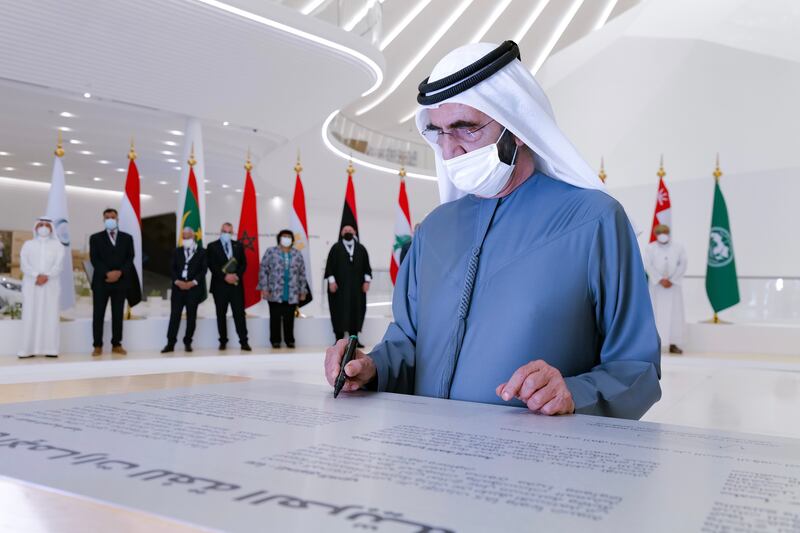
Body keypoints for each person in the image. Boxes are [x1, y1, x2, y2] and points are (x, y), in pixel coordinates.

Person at [324, 41, 661, 420]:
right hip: (425, 461)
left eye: (465, 129)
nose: (449, 150)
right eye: (438, 132)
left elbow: (637, 370)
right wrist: (371, 367)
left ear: (517, 127)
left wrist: (574, 392)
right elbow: (409, 343)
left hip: (536, 468)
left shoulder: (596, 221)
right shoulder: (433, 230)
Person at [89, 208, 134, 356]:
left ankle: (116, 344)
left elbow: (130, 258)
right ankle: (97, 345)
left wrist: (119, 272)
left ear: (117, 219)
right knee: (98, 315)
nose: (110, 219)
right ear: (103, 220)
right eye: (107, 217)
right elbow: (95, 259)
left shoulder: (127, 238)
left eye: (112, 217)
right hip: (102, 281)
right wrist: (107, 273)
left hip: (120, 282)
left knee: (117, 314)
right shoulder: (95, 238)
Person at [18, 217, 65, 358]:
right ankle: (27, 349)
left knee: (50, 316)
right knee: (30, 315)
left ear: (51, 228)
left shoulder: (58, 246)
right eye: (41, 224)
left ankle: (50, 349)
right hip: (32, 285)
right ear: (36, 227)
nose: (43, 227)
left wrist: (47, 276)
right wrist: (36, 275)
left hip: (51, 285)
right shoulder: (28, 244)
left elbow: (59, 265)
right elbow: (24, 264)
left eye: (46, 225)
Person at [258, 229, 308, 348]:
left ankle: (289, 340)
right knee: (275, 318)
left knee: (289, 318)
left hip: (292, 292)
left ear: (292, 239)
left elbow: (302, 273)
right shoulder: (271, 252)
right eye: (284, 236)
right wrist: (264, 288)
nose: (286, 239)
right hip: (274, 291)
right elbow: (263, 270)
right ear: (279, 238)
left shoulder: (297, 253)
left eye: (288, 237)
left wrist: (303, 290)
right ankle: (275, 341)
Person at [324, 225, 372, 347]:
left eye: (350, 230)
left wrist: (367, 281)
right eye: (345, 230)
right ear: (341, 232)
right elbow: (329, 266)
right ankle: (339, 339)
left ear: (355, 232)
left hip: (357, 289)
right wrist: (331, 281)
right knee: (338, 311)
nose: (348, 232)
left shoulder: (361, 249)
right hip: (339, 289)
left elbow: (367, 267)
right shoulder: (335, 248)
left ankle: (354, 340)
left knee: (356, 311)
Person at [162, 227, 207, 353]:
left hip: (193, 289)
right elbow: (172, 268)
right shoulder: (176, 251)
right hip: (178, 289)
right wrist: (177, 281)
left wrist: (193, 282)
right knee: (174, 316)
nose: (185, 239)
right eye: (183, 237)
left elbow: (203, 270)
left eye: (187, 237)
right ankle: (170, 343)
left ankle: (188, 342)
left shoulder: (202, 252)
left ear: (193, 237)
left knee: (191, 317)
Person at [207, 222, 250, 351]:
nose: (226, 234)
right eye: (224, 231)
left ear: (232, 233)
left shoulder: (238, 246)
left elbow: (243, 264)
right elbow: (212, 265)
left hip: (236, 286)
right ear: (220, 231)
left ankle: (244, 341)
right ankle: (223, 341)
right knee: (221, 314)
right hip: (220, 286)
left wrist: (236, 275)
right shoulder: (212, 246)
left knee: (239, 314)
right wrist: (225, 276)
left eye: (229, 232)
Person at [645, 224, 687, 355]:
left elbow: (683, 263)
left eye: (665, 232)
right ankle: (654, 345)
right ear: (656, 234)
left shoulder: (678, 247)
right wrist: (659, 279)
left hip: (673, 287)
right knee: (655, 315)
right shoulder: (650, 248)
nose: (662, 234)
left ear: (669, 233)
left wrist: (672, 279)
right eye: (659, 232)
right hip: (657, 287)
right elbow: (648, 264)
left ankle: (673, 344)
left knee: (675, 315)